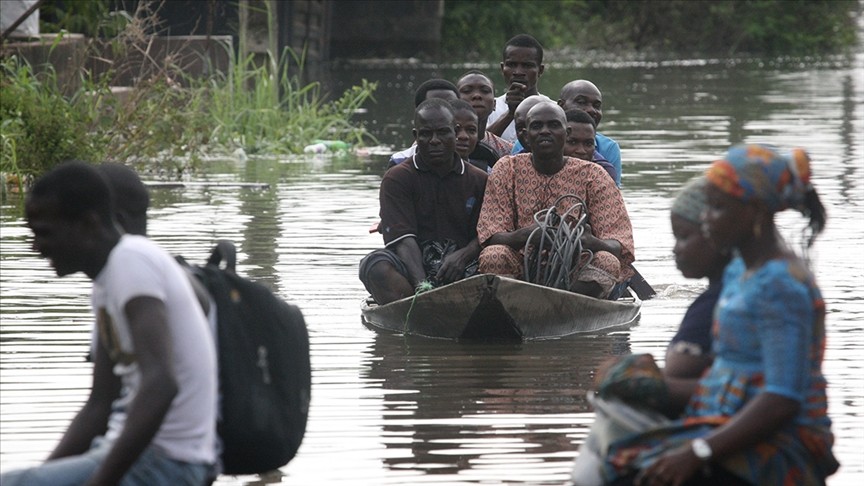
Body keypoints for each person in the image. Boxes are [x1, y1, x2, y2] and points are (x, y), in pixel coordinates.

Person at [601, 144, 838, 486]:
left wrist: (696, 452)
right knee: (618, 454)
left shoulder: (780, 284)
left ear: (754, 211)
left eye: (718, 207)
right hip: (722, 418)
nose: (707, 218)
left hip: (785, 442)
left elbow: (782, 398)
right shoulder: (742, 271)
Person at [3, 162, 218, 486]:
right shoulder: (106, 283)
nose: (36, 247)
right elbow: (98, 407)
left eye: (44, 233)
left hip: (168, 463)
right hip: (136, 455)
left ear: (89, 224)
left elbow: (161, 383)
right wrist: (41, 473)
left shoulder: (132, 261)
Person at [477, 101, 634, 299]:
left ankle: (565, 306)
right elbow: (491, 236)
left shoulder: (594, 175)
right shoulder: (507, 169)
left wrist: (588, 241)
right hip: (521, 261)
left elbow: (618, 244)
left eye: (553, 125)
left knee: (607, 261)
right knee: (493, 255)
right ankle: (517, 304)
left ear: (566, 133)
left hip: (575, 266)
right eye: (536, 126)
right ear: (525, 135)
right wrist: (529, 234)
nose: (544, 131)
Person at [360, 99, 488, 305]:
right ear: (416, 136)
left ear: (455, 132)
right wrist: (424, 287)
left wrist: (462, 257)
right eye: (426, 134)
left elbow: (486, 233)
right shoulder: (397, 178)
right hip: (413, 264)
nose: (434, 140)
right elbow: (402, 239)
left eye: (443, 132)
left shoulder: (479, 179)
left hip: (460, 266)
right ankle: (416, 310)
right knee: (375, 266)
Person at [664, 176, 731, 379]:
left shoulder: (720, 302)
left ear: (714, 233)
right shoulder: (729, 292)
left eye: (684, 237)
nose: (675, 249)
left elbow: (677, 369)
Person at [558, 80, 622, 187]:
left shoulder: (608, 150)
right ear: (561, 106)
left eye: (596, 106)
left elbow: (613, 196)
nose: (591, 110)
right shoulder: (535, 143)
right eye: (581, 102)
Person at [487, 34, 546, 142]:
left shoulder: (553, 109)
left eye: (527, 66)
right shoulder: (490, 108)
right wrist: (510, 114)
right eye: (512, 65)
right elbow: (479, 147)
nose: (518, 72)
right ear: (502, 68)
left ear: (540, 70)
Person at [388, 79, 459, 167]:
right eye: (433, 105)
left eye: (449, 105)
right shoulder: (400, 161)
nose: (442, 111)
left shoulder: (475, 158)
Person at [456, 70, 513, 167]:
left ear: (494, 104)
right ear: (455, 100)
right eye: (467, 91)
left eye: (485, 91)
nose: (477, 96)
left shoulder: (506, 150)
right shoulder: (444, 144)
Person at [563, 109, 616, 183]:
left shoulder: (604, 172)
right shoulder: (544, 169)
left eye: (588, 144)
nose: (581, 151)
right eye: (572, 142)